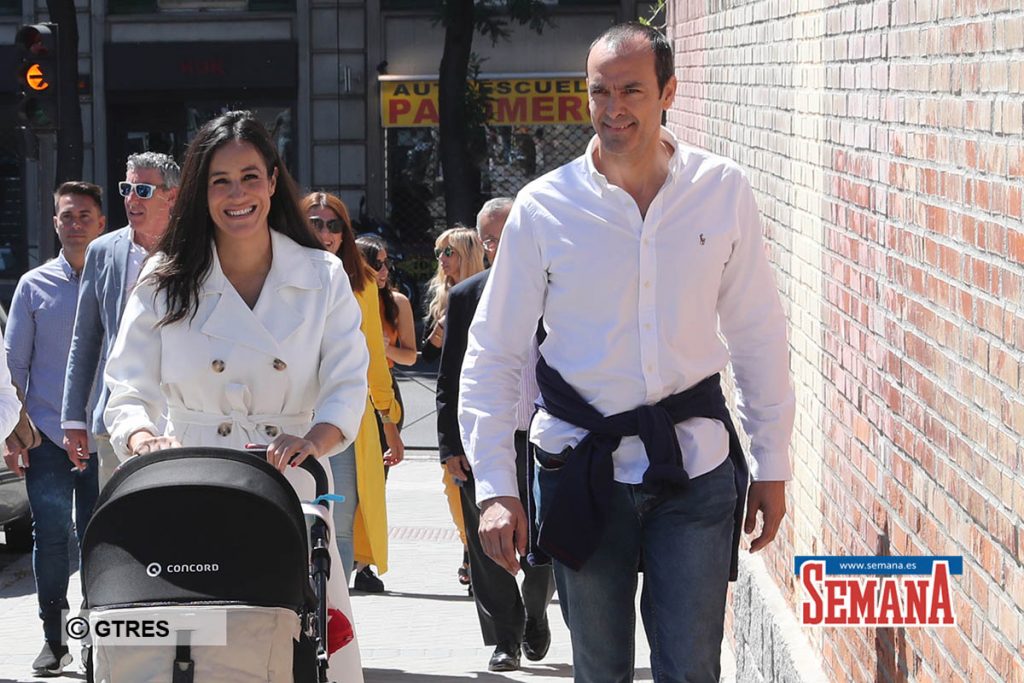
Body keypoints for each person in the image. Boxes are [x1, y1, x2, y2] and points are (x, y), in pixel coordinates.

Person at [459, 23, 796, 682]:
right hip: (581, 470)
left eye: (632, 90)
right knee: (601, 669)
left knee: (692, 667)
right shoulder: (543, 209)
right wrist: (496, 487)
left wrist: (772, 461)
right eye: (599, 92)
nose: (614, 109)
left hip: (694, 468)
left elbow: (757, 330)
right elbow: (495, 352)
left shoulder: (722, 191)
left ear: (668, 91)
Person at [102, 111, 370, 682]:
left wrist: (315, 439)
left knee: (286, 648)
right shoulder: (162, 279)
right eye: (220, 180)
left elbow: (349, 382)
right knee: (194, 655)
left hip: (288, 486)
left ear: (273, 181)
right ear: (200, 192)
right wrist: (143, 436)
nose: (237, 194)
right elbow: (125, 386)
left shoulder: (323, 277)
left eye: (250, 176)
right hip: (186, 480)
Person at [437, 198, 555, 672]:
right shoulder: (467, 296)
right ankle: (505, 637)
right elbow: (449, 380)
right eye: (490, 240)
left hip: (548, 437)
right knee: (489, 546)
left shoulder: (559, 288)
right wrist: (449, 446)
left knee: (545, 538)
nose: (498, 247)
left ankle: (536, 610)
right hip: (485, 437)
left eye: (507, 236)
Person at [3, 182, 105, 676]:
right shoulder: (33, 285)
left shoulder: (119, 282)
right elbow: (13, 367)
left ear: (102, 222)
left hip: (106, 435)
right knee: (52, 539)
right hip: (46, 438)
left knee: (101, 537)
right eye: (67, 215)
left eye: (85, 214)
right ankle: (54, 638)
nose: (76, 222)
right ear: (55, 223)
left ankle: (96, 637)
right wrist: (12, 433)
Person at [301, 191, 404, 594]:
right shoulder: (269, 270)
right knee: (291, 518)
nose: (324, 233)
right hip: (283, 416)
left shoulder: (359, 282)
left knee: (337, 523)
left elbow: (373, 359)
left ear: (345, 234)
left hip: (341, 418)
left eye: (333, 225)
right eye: (314, 223)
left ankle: (336, 630)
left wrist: (389, 419)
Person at [62, 152, 180, 488]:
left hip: (182, 414)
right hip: (119, 415)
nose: (131, 199)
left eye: (142, 191)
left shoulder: (194, 251)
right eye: (126, 188)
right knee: (119, 524)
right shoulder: (102, 251)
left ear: (170, 196)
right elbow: (85, 338)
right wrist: (73, 418)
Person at [421, 226, 485, 588]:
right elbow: (427, 356)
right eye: (439, 253)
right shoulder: (442, 298)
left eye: (449, 252)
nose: (442, 261)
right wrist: (437, 335)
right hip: (450, 402)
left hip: (480, 400)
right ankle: (467, 546)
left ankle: (474, 554)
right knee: (453, 486)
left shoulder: (486, 293)